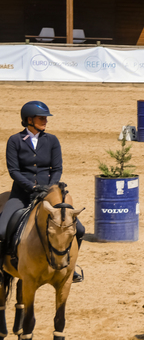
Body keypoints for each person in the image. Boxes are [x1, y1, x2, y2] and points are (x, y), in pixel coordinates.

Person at [0, 101, 84, 282]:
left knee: (80, 229)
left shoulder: (52, 140)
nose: (45, 121)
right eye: (41, 118)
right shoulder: (15, 141)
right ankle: (3, 264)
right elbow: (14, 171)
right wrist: (32, 188)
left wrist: (50, 189)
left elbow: (57, 168)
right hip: (21, 195)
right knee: (1, 229)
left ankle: (71, 267)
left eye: (46, 118)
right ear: (29, 120)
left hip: (49, 196)